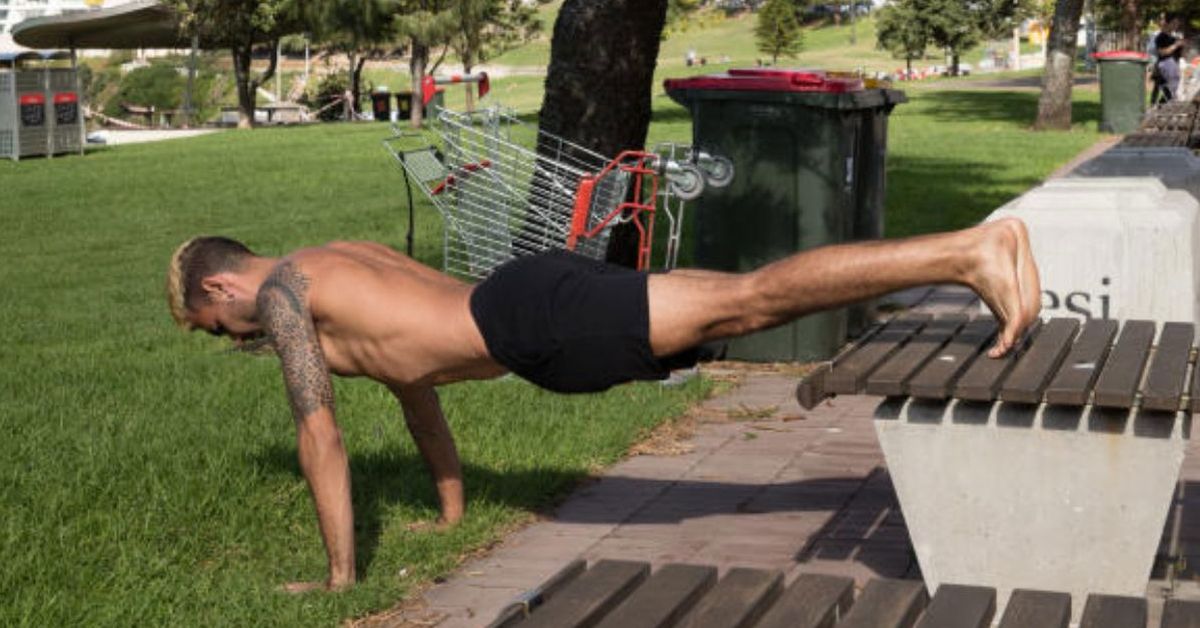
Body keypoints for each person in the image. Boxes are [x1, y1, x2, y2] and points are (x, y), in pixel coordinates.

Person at [165, 219, 1041, 592]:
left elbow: (319, 436)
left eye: (215, 327)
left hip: (535, 324)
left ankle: (967, 252)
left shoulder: (284, 295)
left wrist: (339, 579)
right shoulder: (336, 259)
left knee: (750, 302)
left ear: (220, 287)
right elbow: (416, 395)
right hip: (525, 298)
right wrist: (451, 512)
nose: (231, 338)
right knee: (741, 302)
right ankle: (968, 254)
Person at [1152, 14, 1186, 104]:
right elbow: (1162, 52)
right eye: (1174, 23)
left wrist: (1183, 46)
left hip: (1174, 66)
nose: (1176, 26)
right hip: (1165, 65)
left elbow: (1181, 55)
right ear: (1167, 23)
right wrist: (1176, 45)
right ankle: (1156, 106)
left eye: (1177, 24)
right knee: (1170, 91)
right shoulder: (1161, 37)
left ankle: (1160, 106)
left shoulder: (1174, 38)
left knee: (1171, 92)